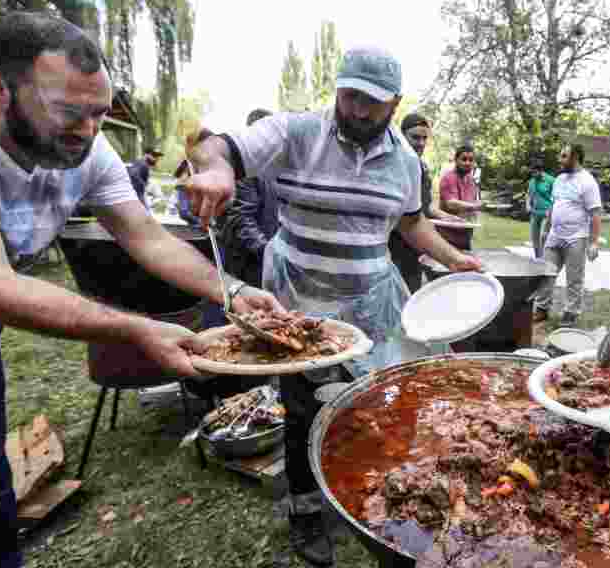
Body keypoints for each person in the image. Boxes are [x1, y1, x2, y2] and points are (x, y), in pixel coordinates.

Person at [0, 13, 280, 568]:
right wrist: (136, 329)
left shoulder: (89, 149)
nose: (89, 131)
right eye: (69, 112)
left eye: (99, 113)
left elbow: (148, 238)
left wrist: (232, 292)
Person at [187, 46, 482, 567]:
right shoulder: (296, 132)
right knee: (304, 407)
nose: (358, 110)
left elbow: (411, 222)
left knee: (376, 400)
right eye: (350, 96)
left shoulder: (405, 161)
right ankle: (306, 511)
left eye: (372, 102)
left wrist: (455, 259)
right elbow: (216, 146)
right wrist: (214, 170)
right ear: (338, 90)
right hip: (296, 301)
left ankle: (369, 490)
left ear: (394, 103)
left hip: (371, 301)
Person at [533, 144, 602, 326]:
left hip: (576, 237)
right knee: (546, 273)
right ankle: (542, 308)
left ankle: (571, 313)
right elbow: (554, 205)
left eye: (564, 156)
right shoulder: (559, 179)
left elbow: (595, 213)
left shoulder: (587, 182)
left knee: (574, 279)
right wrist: (546, 229)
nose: (560, 159)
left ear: (575, 157)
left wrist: (594, 243)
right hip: (555, 235)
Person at [387, 112, 456, 292]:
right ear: (402, 135)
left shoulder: (421, 167)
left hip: (417, 246)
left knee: (413, 291)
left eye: (425, 138)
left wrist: (447, 217)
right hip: (393, 246)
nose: (421, 143)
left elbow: (427, 205)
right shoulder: (390, 164)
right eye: (415, 137)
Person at [221, 108, 277, 288]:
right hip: (249, 265)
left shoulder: (271, 167)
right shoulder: (245, 169)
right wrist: (269, 253)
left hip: (265, 264)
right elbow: (240, 219)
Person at [438, 143, 483, 250]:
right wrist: (474, 206)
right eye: (464, 159)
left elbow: (473, 203)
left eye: (471, 160)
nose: (468, 163)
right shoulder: (448, 178)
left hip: (465, 234)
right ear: (456, 160)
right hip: (448, 236)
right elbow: (451, 203)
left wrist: (476, 208)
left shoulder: (471, 180)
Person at [174, 128, 215, 226]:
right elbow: (177, 174)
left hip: (194, 188)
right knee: (185, 212)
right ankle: (203, 225)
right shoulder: (188, 157)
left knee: (190, 213)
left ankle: (204, 225)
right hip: (184, 186)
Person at [526, 163, 555, 258]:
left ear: (541, 171)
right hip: (534, 213)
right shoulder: (532, 181)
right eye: (532, 173)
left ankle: (543, 258)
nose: (533, 175)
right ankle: (538, 258)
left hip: (547, 213)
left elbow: (557, 197)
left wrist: (551, 210)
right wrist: (528, 204)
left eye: (534, 172)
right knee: (534, 237)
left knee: (543, 236)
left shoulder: (551, 180)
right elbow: (529, 195)